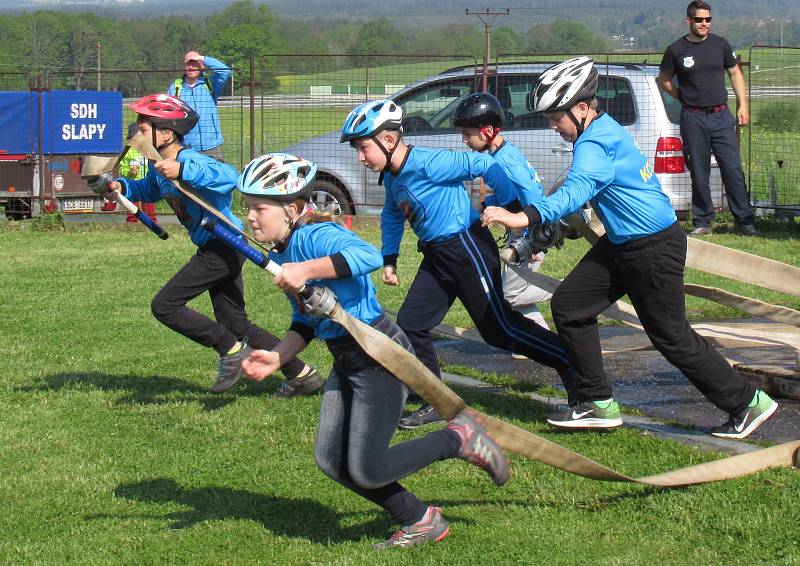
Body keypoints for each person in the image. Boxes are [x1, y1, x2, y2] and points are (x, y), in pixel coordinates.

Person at [483, 57, 777, 439]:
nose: (553, 126)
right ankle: (597, 403)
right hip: (623, 244)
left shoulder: (595, 143)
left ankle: (748, 403)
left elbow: (576, 191)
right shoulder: (601, 130)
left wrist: (523, 218)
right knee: (571, 306)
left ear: (583, 108)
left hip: (650, 248)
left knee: (671, 336)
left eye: (556, 117)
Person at [236, 153, 510, 549]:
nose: (251, 217)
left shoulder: (315, 237)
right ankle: (420, 518)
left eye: (259, 208)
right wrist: (279, 356)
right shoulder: (284, 251)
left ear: (293, 209)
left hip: (378, 354)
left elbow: (366, 256)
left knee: (368, 467)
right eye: (248, 208)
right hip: (346, 358)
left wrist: (306, 270)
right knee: (332, 461)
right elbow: (310, 318)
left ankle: (459, 439)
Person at [340, 99, 579, 429]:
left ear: (389, 140)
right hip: (438, 255)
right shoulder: (393, 178)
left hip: (467, 247)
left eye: (364, 148)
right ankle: (434, 399)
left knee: (500, 329)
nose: (361, 157)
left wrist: (511, 211)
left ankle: (573, 365)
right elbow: (393, 215)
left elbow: (486, 167)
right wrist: (389, 259)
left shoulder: (430, 163)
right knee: (411, 323)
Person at [88, 93, 322, 397]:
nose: (136, 135)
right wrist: (122, 187)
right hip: (218, 246)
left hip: (224, 243)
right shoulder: (157, 165)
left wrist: (182, 170)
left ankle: (229, 350)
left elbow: (229, 176)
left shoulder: (189, 159)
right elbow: (148, 189)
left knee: (165, 305)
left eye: (143, 130)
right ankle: (303, 375)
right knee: (237, 324)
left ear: (166, 133)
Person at [452, 92, 552, 333]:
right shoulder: (503, 155)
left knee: (509, 295)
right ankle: (543, 336)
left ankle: (568, 290)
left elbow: (532, 196)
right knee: (512, 292)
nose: (464, 140)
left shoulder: (503, 162)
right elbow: (509, 195)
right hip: (521, 232)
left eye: (467, 134)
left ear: (486, 132)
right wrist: (483, 208)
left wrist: (534, 238)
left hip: (528, 236)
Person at [658, 1, 758, 236]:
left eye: (708, 20)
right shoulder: (676, 50)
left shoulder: (720, 44)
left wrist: (743, 105)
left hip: (721, 116)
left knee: (732, 169)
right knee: (699, 172)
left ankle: (744, 221)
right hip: (693, 118)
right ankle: (703, 222)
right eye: (700, 20)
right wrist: (681, 96)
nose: (705, 24)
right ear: (689, 21)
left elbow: (735, 72)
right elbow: (663, 79)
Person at [168, 51, 231, 160]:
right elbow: (168, 115)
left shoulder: (210, 84)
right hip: (187, 147)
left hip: (212, 146)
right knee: (188, 177)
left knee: (216, 176)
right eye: (188, 63)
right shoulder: (175, 88)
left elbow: (225, 71)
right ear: (184, 66)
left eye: (195, 63)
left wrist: (202, 58)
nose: (191, 67)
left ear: (201, 65)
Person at [118, 122, 155, 223]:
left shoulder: (149, 151)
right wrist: (130, 172)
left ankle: (152, 222)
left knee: (149, 204)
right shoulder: (127, 152)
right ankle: (131, 222)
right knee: (131, 204)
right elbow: (122, 170)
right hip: (133, 183)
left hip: (147, 183)